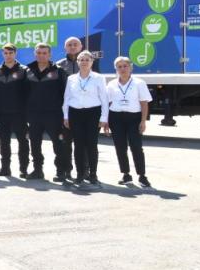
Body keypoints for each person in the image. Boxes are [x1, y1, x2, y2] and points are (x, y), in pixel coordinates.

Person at [63, 50, 109, 185]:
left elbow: (104, 99)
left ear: (92, 62)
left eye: (87, 60)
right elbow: (67, 98)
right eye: (81, 60)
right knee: (78, 145)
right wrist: (66, 116)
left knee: (91, 145)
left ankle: (93, 174)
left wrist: (104, 118)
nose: (84, 62)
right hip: (75, 113)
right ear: (77, 62)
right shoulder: (71, 78)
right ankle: (80, 174)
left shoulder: (99, 78)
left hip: (93, 114)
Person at [24, 42, 69, 182]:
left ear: (50, 54)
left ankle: (61, 171)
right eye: (38, 53)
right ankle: (37, 170)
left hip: (53, 114)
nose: (41, 55)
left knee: (58, 144)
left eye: (44, 53)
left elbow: (65, 94)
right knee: (34, 143)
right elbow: (23, 93)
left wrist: (65, 115)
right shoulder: (28, 70)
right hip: (34, 114)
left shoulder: (58, 71)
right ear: (35, 54)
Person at [106, 55, 152, 186]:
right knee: (120, 147)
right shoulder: (111, 84)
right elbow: (107, 103)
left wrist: (143, 121)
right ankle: (126, 174)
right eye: (119, 67)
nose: (122, 69)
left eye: (125, 66)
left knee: (136, 146)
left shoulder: (139, 83)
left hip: (134, 118)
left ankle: (142, 175)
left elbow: (144, 103)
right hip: (116, 118)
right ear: (116, 69)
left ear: (131, 67)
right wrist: (106, 121)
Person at [0, 43, 30, 177]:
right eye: (6, 53)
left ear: (15, 53)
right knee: (4, 142)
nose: (8, 55)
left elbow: (28, 92)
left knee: (23, 141)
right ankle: (5, 168)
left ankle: (23, 169)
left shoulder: (24, 70)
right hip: (2, 113)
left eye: (11, 53)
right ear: (3, 54)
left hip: (19, 113)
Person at [53, 35, 83, 180]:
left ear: (81, 47)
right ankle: (63, 170)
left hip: (83, 109)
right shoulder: (59, 65)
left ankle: (84, 171)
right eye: (69, 45)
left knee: (82, 143)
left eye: (75, 44)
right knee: (63, 143)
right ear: (65, 48)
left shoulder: (87, 62)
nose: (72, 47)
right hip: (64, 109)